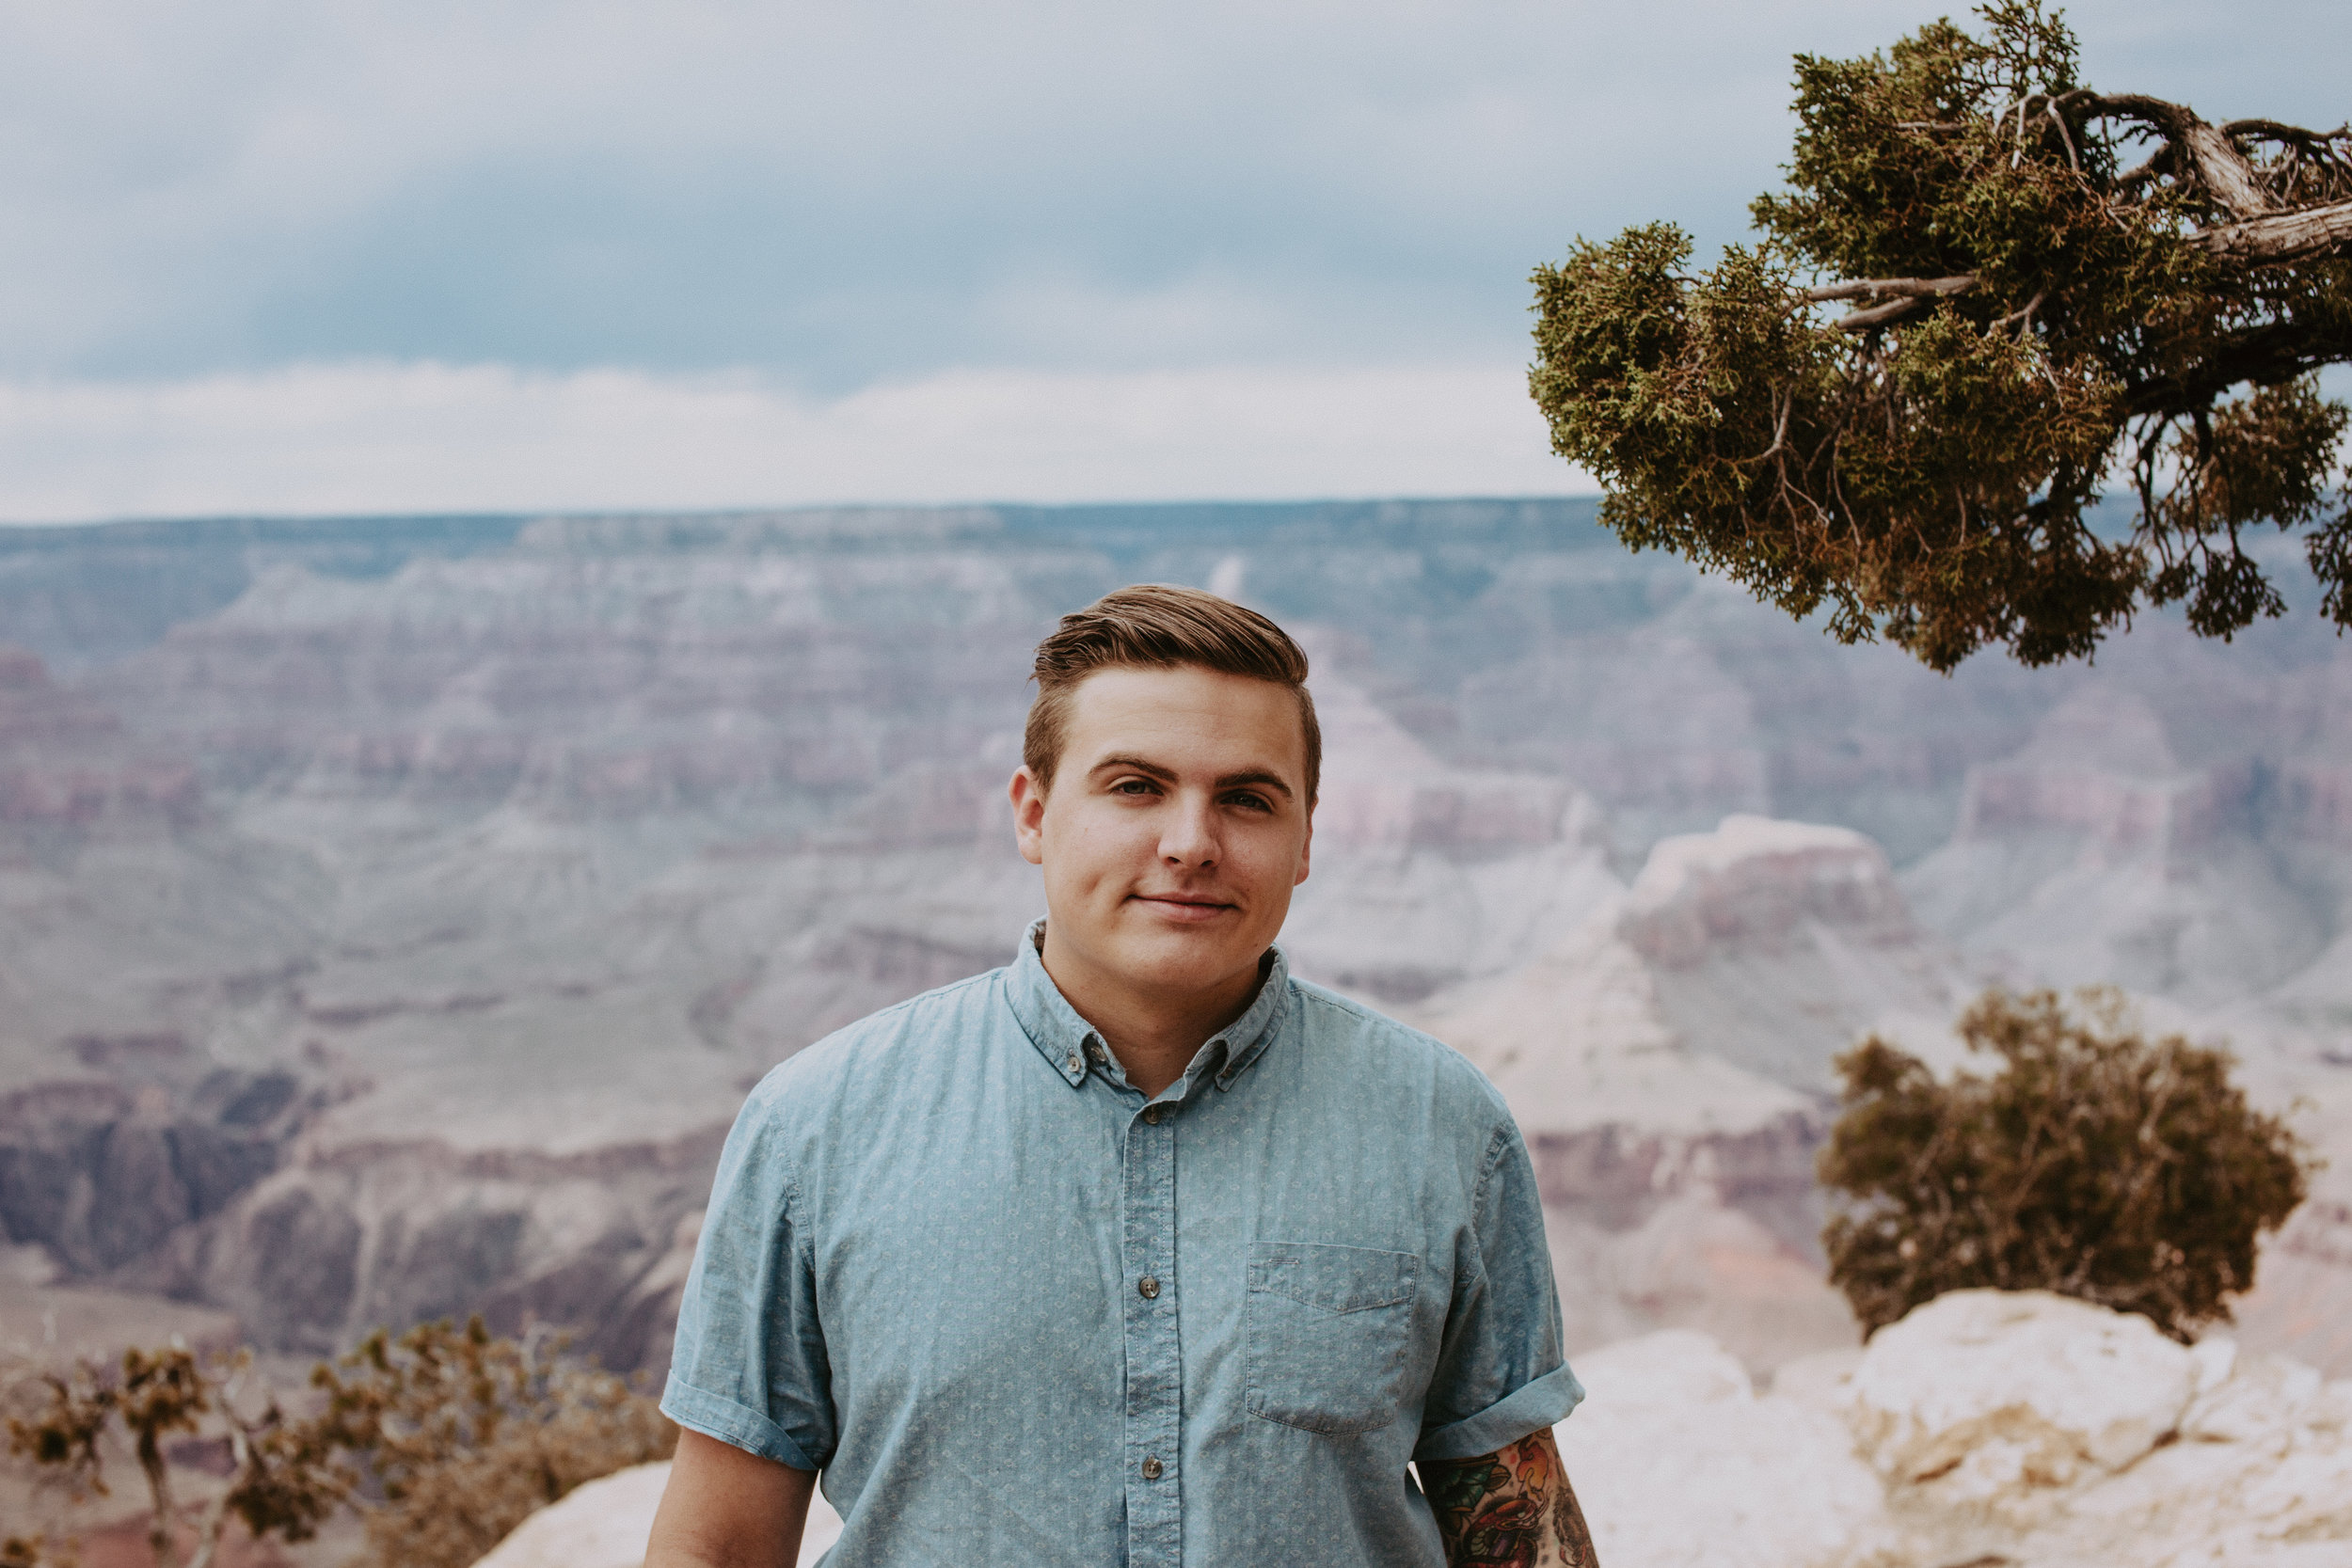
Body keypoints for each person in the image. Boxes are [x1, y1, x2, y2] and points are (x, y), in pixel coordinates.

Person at [645, 584, 1596, 1567]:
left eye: (1247, 798)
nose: (1191, 843)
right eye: (1136, 786)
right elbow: (716, 1547)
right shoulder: (816, 1126)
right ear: (1033, 814)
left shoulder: (1440, 1124)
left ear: (1306, 838)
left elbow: (1520, 1540)